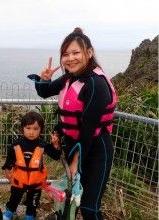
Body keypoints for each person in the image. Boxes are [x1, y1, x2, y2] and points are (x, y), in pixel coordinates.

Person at [30, 27, 117, 220]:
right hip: (75, 146)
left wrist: (75, 164)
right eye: (65, 54)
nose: (70, 58)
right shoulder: (70, 77)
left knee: (89, 208)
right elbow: (45, 92)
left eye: (76, 52)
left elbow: (88, 130)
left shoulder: (96, 84)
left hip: (96, 151)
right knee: (69, 201)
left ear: (89, 52)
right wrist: (44, 79)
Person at [2, 111, 62, 220]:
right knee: (14, 199)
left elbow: (56, 156)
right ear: (22, 128)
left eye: (35, 129)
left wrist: (56, 144)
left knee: (32, 204)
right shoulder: (16, 145)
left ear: (41, 130)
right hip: (19, 181)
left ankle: (29, 216)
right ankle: (9, 212)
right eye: (28, 128)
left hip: (36, 183)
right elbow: (7, 164)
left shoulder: (42, 144)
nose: (31, 132)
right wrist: (10, 178)